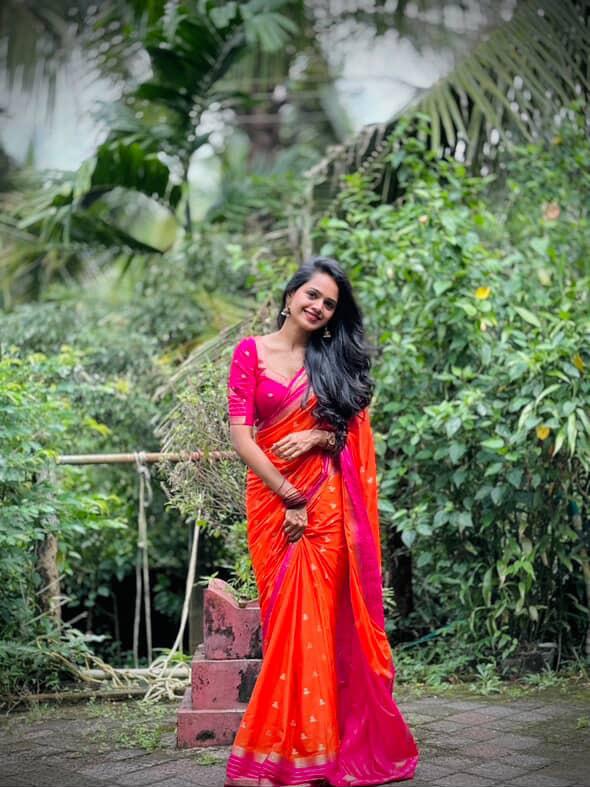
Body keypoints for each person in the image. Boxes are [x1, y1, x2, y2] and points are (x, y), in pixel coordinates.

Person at [225, 256, 419, 787]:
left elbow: (345, 436)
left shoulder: (331, 362)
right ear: (290, 296)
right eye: (312, 295)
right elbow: (241, 436)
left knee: (318, 625)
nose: (318, 307)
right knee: (287, 619)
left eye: (329, 303)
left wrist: (314, 438)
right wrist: (286, 493)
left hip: (324, 505)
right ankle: (296, 745)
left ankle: (317, 749)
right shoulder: (251, 352)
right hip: (273, 501)